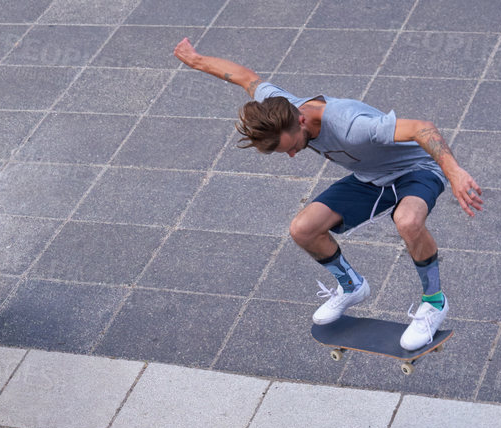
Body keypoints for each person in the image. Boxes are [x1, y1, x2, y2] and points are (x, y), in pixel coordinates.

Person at [173, 37, 483, 350]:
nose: (293, 155)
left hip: (415, 170)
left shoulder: (351, 125)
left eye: (293, 147)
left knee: (407, 221)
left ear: (301, 120)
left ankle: (434, 302)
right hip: (370, 176)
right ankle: (352, 286)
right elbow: (246, 78)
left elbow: (421, 127)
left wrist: (454, 172)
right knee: (302, 229)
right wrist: (196, 60)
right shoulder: (279, 105)